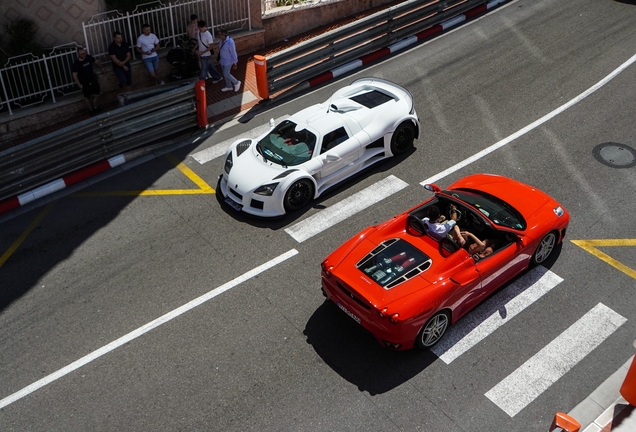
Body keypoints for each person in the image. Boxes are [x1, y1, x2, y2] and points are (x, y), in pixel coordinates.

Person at [72, 47, 105, 115]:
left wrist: (102, 67)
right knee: (87, 97)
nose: (84, 55)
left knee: (97, 94)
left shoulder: (88, 57)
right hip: (84, 82)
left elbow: (95, 62)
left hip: (92, 79)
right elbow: (74, 75)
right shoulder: (76, 64)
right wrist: (79, 85)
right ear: (78, 54)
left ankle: (95, 107)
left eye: (84, 53)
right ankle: (91, 110)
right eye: (82, 54)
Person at [216, 28, 241, 92]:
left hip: (228, 61)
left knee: (226, 73)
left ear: (223, 34)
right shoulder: (222, 41)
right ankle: (228, 86)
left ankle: (236, 82)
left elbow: (233, 52)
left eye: (219, 35)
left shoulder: (230, 42)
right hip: (222, 60)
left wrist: (235, 63)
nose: (218, 36)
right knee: (225, 74)